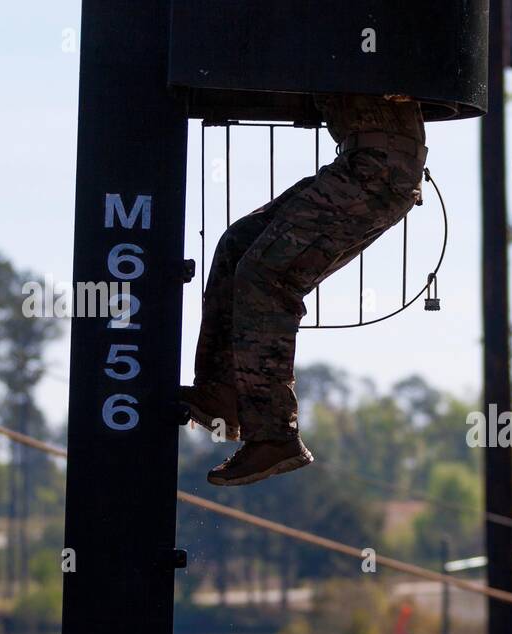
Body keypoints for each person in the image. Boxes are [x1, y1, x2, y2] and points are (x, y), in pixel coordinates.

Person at [181, 92, 427, 486]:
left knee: (266, 276)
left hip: (380, 168)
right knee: (237, 247)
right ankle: (222, 395)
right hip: (362, 162)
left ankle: (275, 434)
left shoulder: (369, 29)